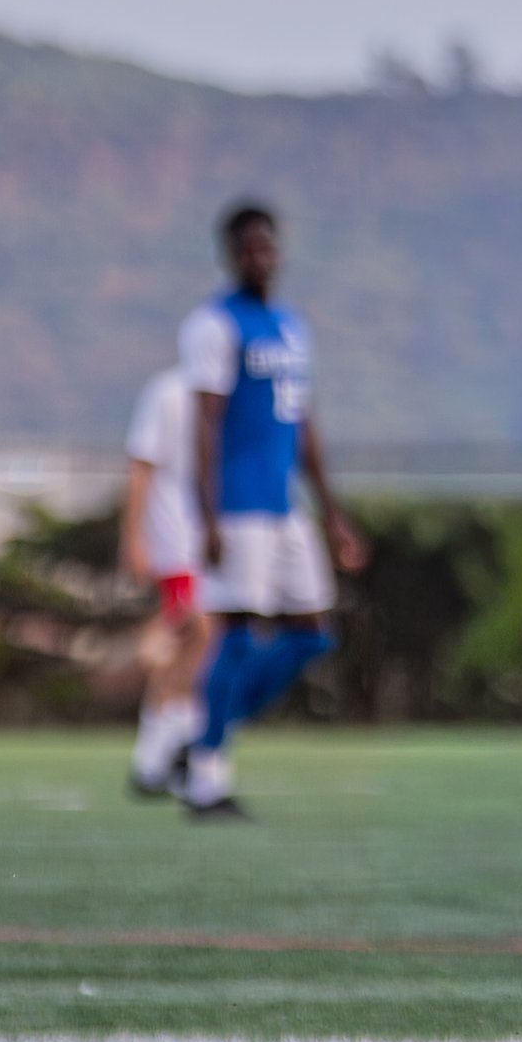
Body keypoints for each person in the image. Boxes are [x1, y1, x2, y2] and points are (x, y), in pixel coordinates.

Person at [176, 202, 366, 820]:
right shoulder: (213, 326)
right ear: (232, 255)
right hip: (237, 506)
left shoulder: (290, 327)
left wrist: (332, 513)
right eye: (250, 248)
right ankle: (206, 777)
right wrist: (206, 518)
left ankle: (207, 729)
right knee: (235, 635)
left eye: (269, 246)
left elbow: (302, 424)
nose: (261, 257)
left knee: (311, 632)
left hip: (285, 508)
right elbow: (204, 426)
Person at [121, 359, 210, 797]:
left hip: (207, 540)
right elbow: (140, 467)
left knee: (191, 645)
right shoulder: (168, 392)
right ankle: (173, 752)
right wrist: (134, 537)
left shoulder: (229, 398)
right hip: (175, 540)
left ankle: (156, 758)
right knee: (201, 637)